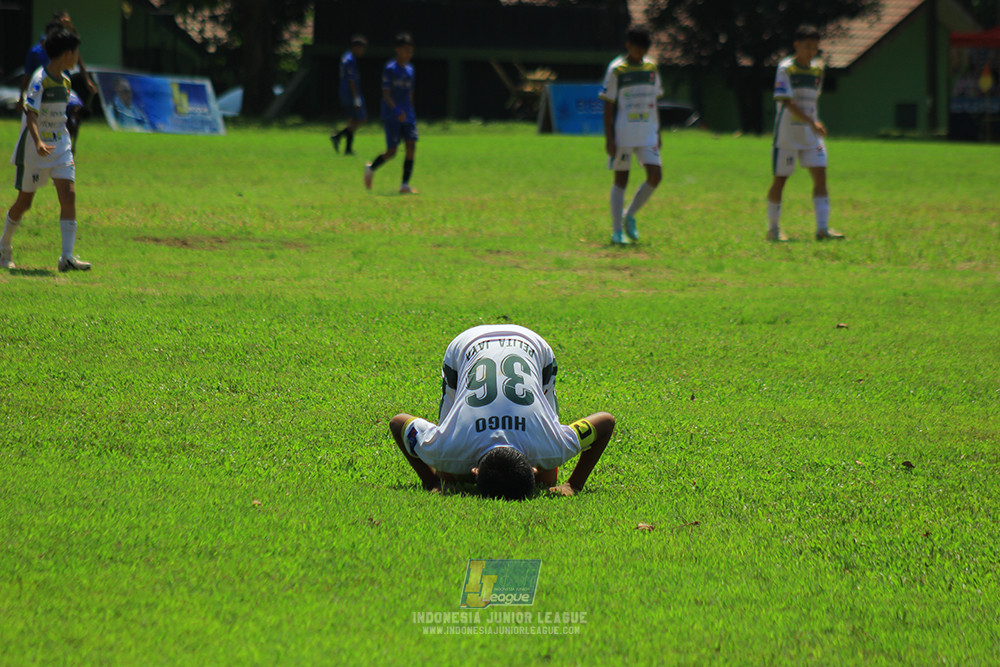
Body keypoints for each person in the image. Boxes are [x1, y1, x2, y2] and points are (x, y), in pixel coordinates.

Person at [389, 324, 616, 500]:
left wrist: (432, 483)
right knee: (448, 472)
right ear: (532, 469)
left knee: (449, 472)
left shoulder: (551, 447)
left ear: (476, 471)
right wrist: (572, 485)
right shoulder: (446, 449)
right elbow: (398, 423)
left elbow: (398, 422)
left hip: (523, 344)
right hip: (483, 344)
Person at [1, 27, 90, 273]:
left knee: (68, 194)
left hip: (60, 146)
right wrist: (38, 141)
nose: (77, 57)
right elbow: (31, 113)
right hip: (35, 149)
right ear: (66, 53)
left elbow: (59, 113)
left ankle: (67, 257)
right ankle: (4, 246)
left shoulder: (65, 80)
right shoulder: (40, 79)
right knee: (24, 203)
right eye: (75, 52)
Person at [766, 24, 844, 242]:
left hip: (811, 134)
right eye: (807, 46)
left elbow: (812, 101)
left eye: (815, 48)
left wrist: (813, 122)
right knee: (780, 179)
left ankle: (823, 229)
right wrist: (812, 121)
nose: (811, 52)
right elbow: (788, 103)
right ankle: (773, 229)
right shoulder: (785, 69)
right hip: (787, 134)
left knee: (821, 175)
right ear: (796, 45)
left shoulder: (818, 69)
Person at [599, 26, 663, 246]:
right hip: (624, 133)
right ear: (628, 46)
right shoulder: (617, 69)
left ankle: (630, 215)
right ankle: (617, 232)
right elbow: (608, 105)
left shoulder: (651, 66)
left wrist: (659, 131)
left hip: (647, 132)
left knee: (655, 175)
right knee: (621, 180)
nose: (641, 53)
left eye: (644, 49)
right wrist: (609, 138)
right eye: (637, 48)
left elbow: (655, 101)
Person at [19, 12, 97, 154]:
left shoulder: (68, 50)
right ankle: (41, 141)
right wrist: (21, 96)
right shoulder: (40, 52)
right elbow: (27, 76)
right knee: (40, 116)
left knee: (76, 109)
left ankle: (71, 145)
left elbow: (77, 55)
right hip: (45, 90)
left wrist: (87, 80)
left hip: (64, 86)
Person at [364, 32, 419, 194]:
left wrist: (411, 112)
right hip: (392, 115)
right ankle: (371, 168)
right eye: (406, 50)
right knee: (392, 151)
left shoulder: (410, 70)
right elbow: (386, 93)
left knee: (411, 145)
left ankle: (404, 184)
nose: (409, 53)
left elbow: (410, 93)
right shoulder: (390, 69)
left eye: (411, 50)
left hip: (408, 115)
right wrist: (396, 110)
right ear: (397, 50)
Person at [330, 35, 368, 155]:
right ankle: (338, 137)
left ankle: (347, 148)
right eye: (362, 48)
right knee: (361, 119)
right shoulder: (350, 60)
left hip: (347, 93)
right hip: (350, 94)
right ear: (356, 47)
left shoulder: (346, 57)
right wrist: (356, 97)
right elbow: (351, 80)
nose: (363, 51)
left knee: (353, 121)